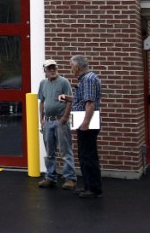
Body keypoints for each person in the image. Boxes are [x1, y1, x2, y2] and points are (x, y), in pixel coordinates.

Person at [59, 54, 102, 198]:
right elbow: (81, 100)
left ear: (77, 67)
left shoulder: (88, 80)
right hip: (84, 122)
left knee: (88, 156)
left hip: (86, 124)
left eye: (71, 66)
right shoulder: (86, 79)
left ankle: (94, 189)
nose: (71, 69)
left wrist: (85, 123)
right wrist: (66, 97)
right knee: (84, 155)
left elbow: (90, 103)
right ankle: (88, 186)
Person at [36, 59, 76, 189]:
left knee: (65, 150)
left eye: (54, 68)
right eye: (49, 68)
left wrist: (65, 117)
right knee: (49, 151)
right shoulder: (43, 83)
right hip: (48, 121)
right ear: (45, 71)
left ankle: (70, 178)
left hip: (60, 121)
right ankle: (50, 177)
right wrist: (41, 119)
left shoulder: (64, 82)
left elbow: (70, 101)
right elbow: (42, 102)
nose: (52, 70)